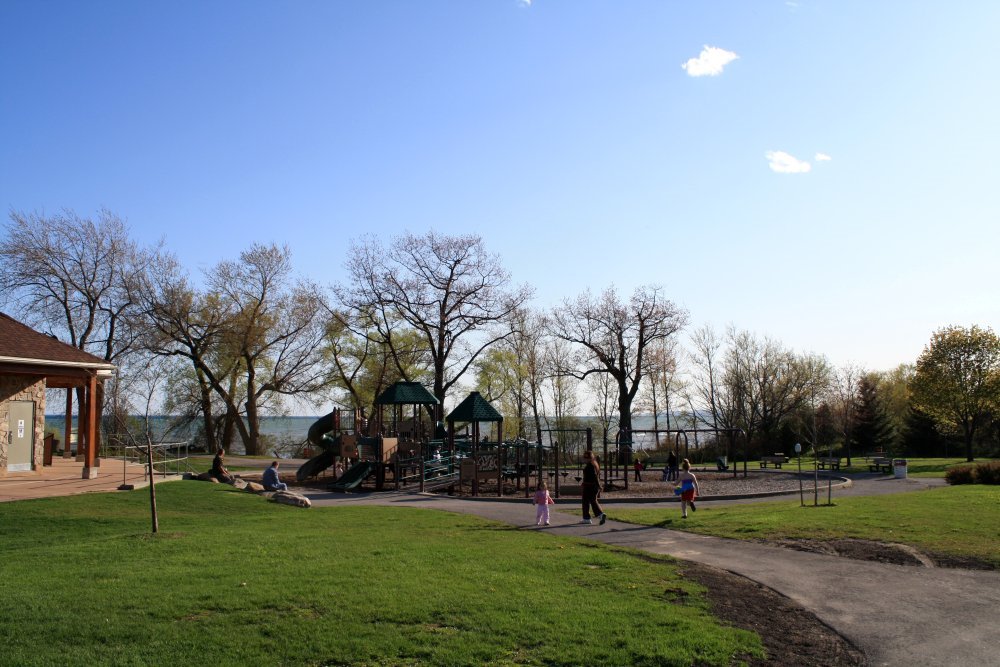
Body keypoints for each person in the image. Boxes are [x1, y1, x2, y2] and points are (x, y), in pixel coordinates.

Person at [580, 450, 606, 525]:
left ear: (588, 458)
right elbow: (591, 477)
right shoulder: (593, 464)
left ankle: (589, 517)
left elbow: (595, 477)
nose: (584, 459)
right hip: (590, 486)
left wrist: (599, 486)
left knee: (587, 502)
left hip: (589, 487)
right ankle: (589, 517)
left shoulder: (590, 466)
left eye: (585, 457)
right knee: (592, 501)